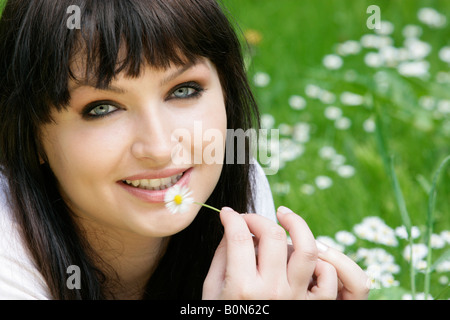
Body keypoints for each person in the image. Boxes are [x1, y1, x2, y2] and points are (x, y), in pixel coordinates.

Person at [0, 0, 369, 300]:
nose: (160, 149)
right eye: (102, 108)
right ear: (31, 135)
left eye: (183, 90)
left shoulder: (238, 184)